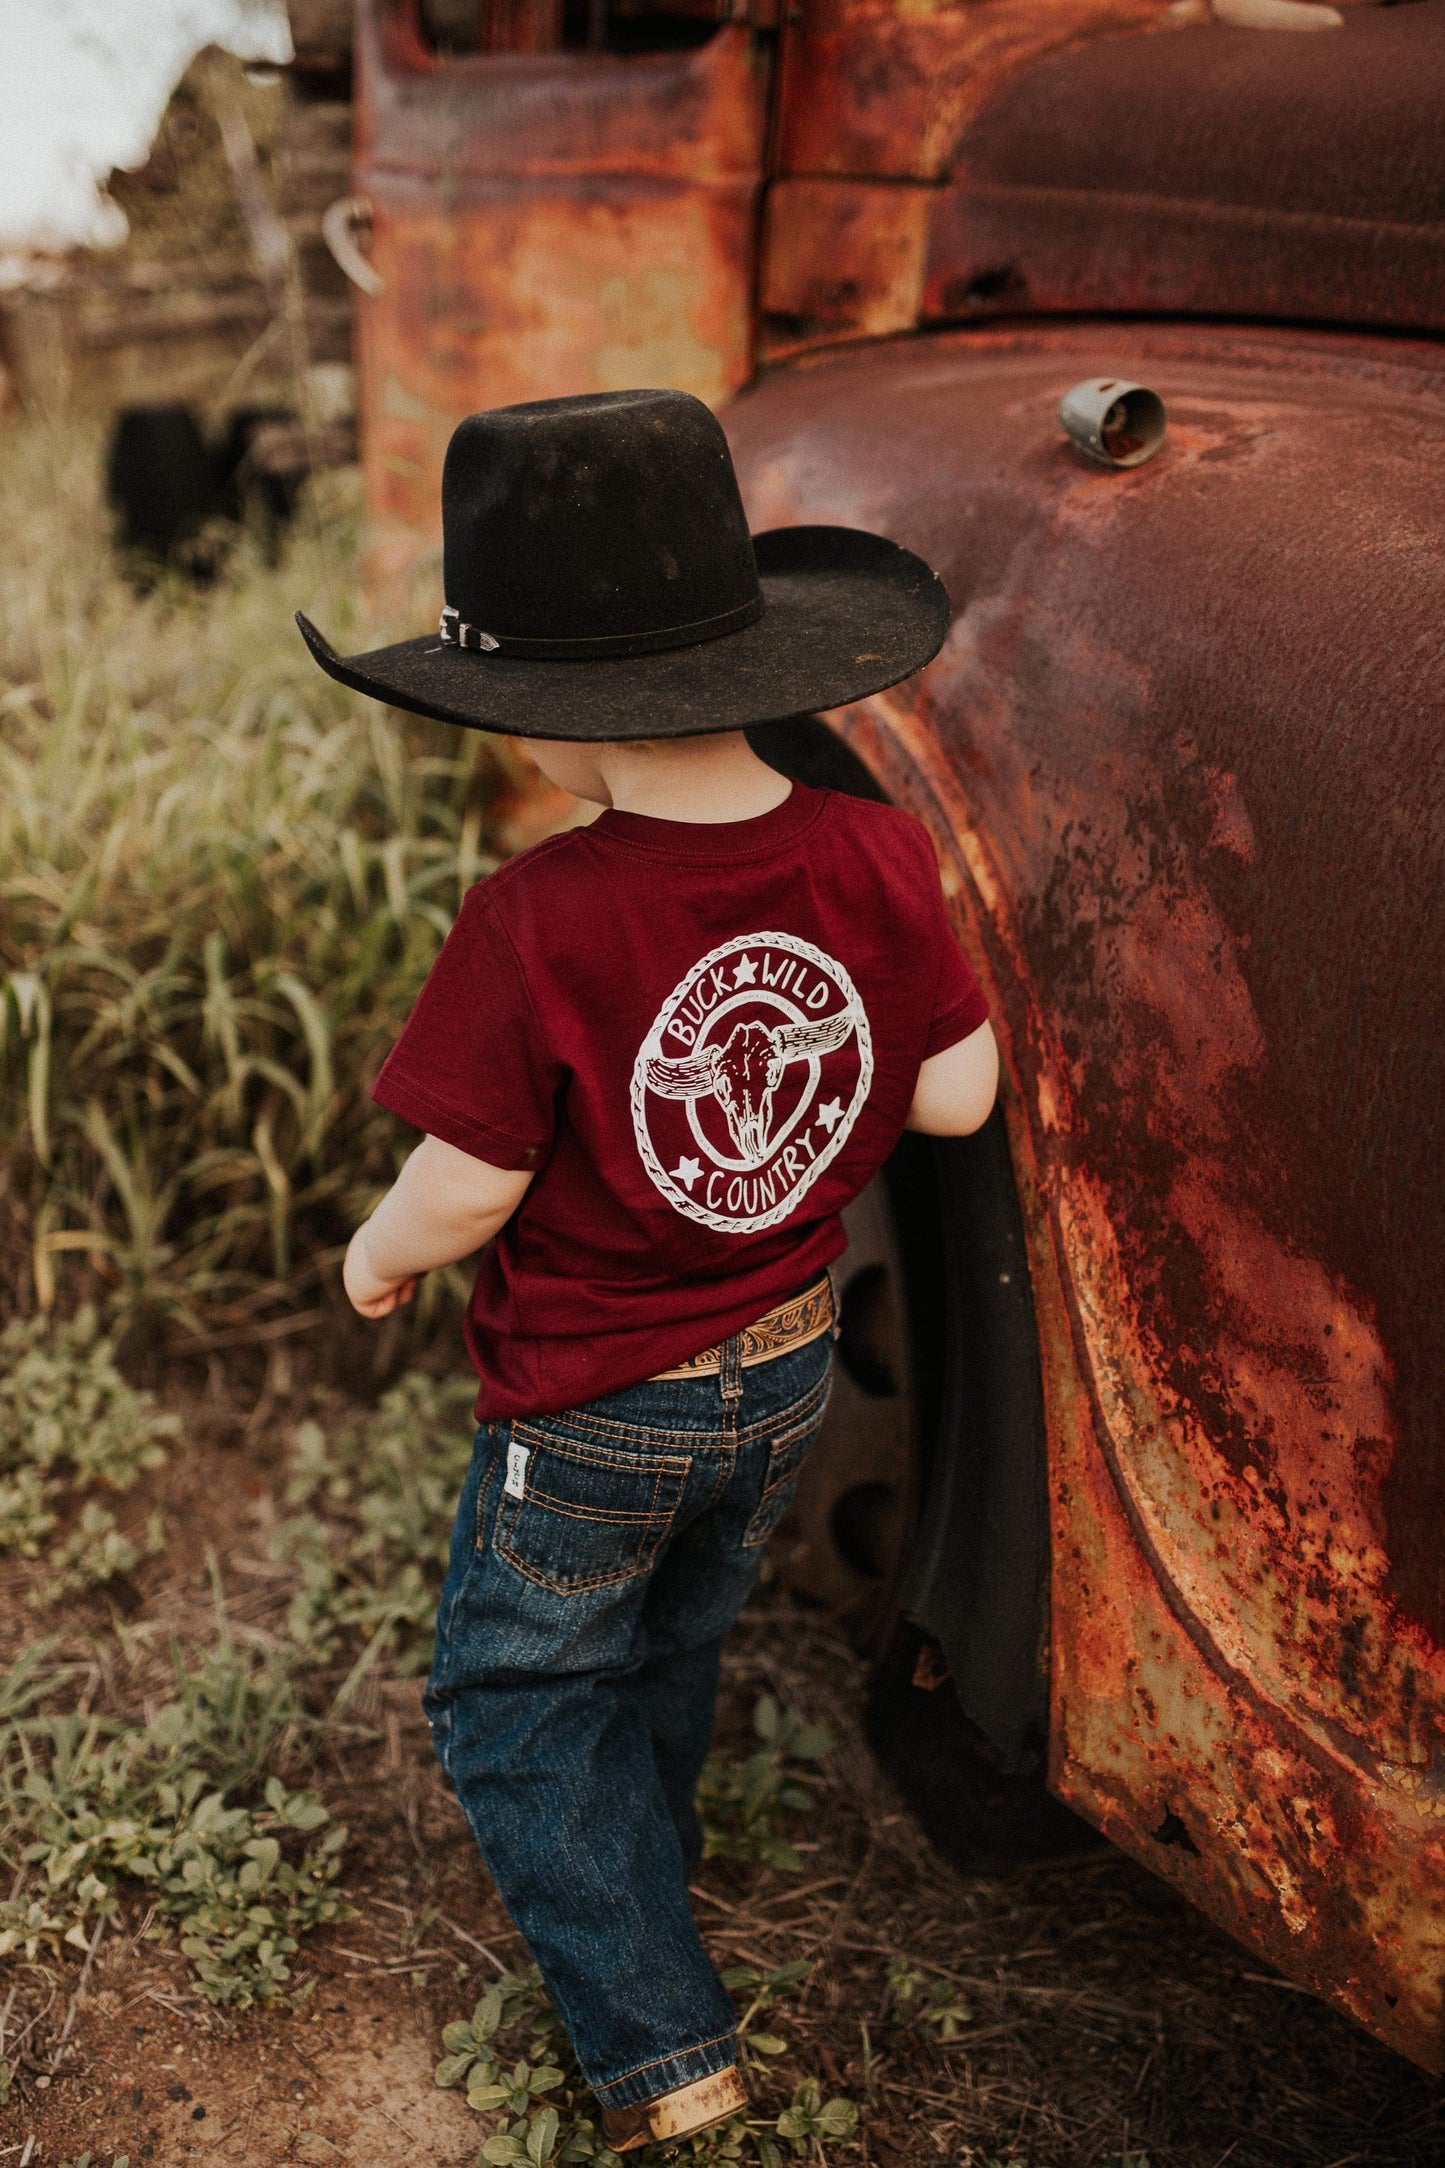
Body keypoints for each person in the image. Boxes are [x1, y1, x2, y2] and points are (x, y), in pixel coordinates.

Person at [297, 388, 998, 2154]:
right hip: (785, 1361)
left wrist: (380, 1257)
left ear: (550, 719)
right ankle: (645, 1868)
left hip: (593, 1402)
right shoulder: (873, 852)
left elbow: (467, 1185)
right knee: (671, 1642)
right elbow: (957, 1093)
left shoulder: (539, 918)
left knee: (517, 1697)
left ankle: (660, 2046)